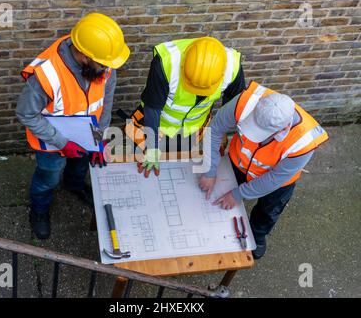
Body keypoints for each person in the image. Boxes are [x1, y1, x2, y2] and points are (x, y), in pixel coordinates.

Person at [16, 13, 130, 239]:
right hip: (52, 142)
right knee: (48, 177)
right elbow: (26, 113)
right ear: (85, 56)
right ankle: (39, 209)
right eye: (104, 64)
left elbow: (105, 105)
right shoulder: (46, 75)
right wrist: (62, 143)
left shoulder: (104, 64)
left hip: (88, 136)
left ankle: (74, 185)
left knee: (79, 167)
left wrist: (100, 140)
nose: (109, 69)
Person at [198, 81, 329, 259]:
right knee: (222, 195)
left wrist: (238, 194)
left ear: (284, 128)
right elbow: (214, 130)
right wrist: (210, 170)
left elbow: (274, 179)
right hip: (238, 162)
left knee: (268, 210)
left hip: (278, 183)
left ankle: (257, 236)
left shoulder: (304, 141)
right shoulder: (246, 102)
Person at [124, 37, 246, 177]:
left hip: (190, 132)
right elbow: (152, 108)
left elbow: (233, 104)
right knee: (136, 170)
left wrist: (221, 132)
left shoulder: (232, 67)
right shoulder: (166, 62)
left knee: (175, 173)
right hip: (153, 126)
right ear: (183, 66)